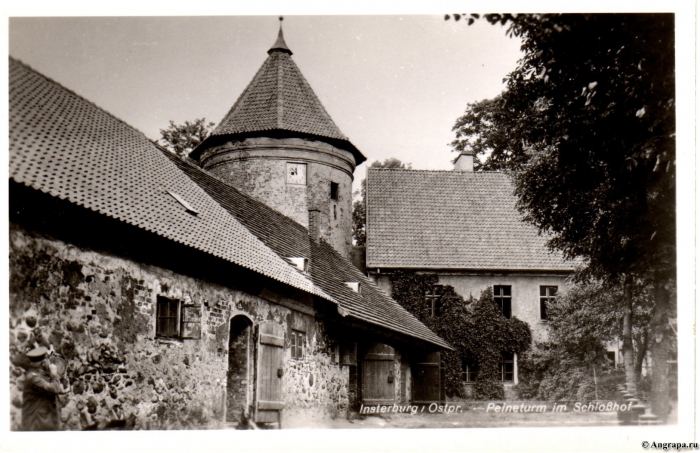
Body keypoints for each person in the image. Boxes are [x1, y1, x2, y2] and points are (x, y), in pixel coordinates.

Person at [21, 346, 65, 431]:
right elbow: (55, 389)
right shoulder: (33, 377)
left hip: (44, 418)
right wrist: (54, 375)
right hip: (37, 421)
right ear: (43, 363)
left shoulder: (38, 373)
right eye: (47, 360)